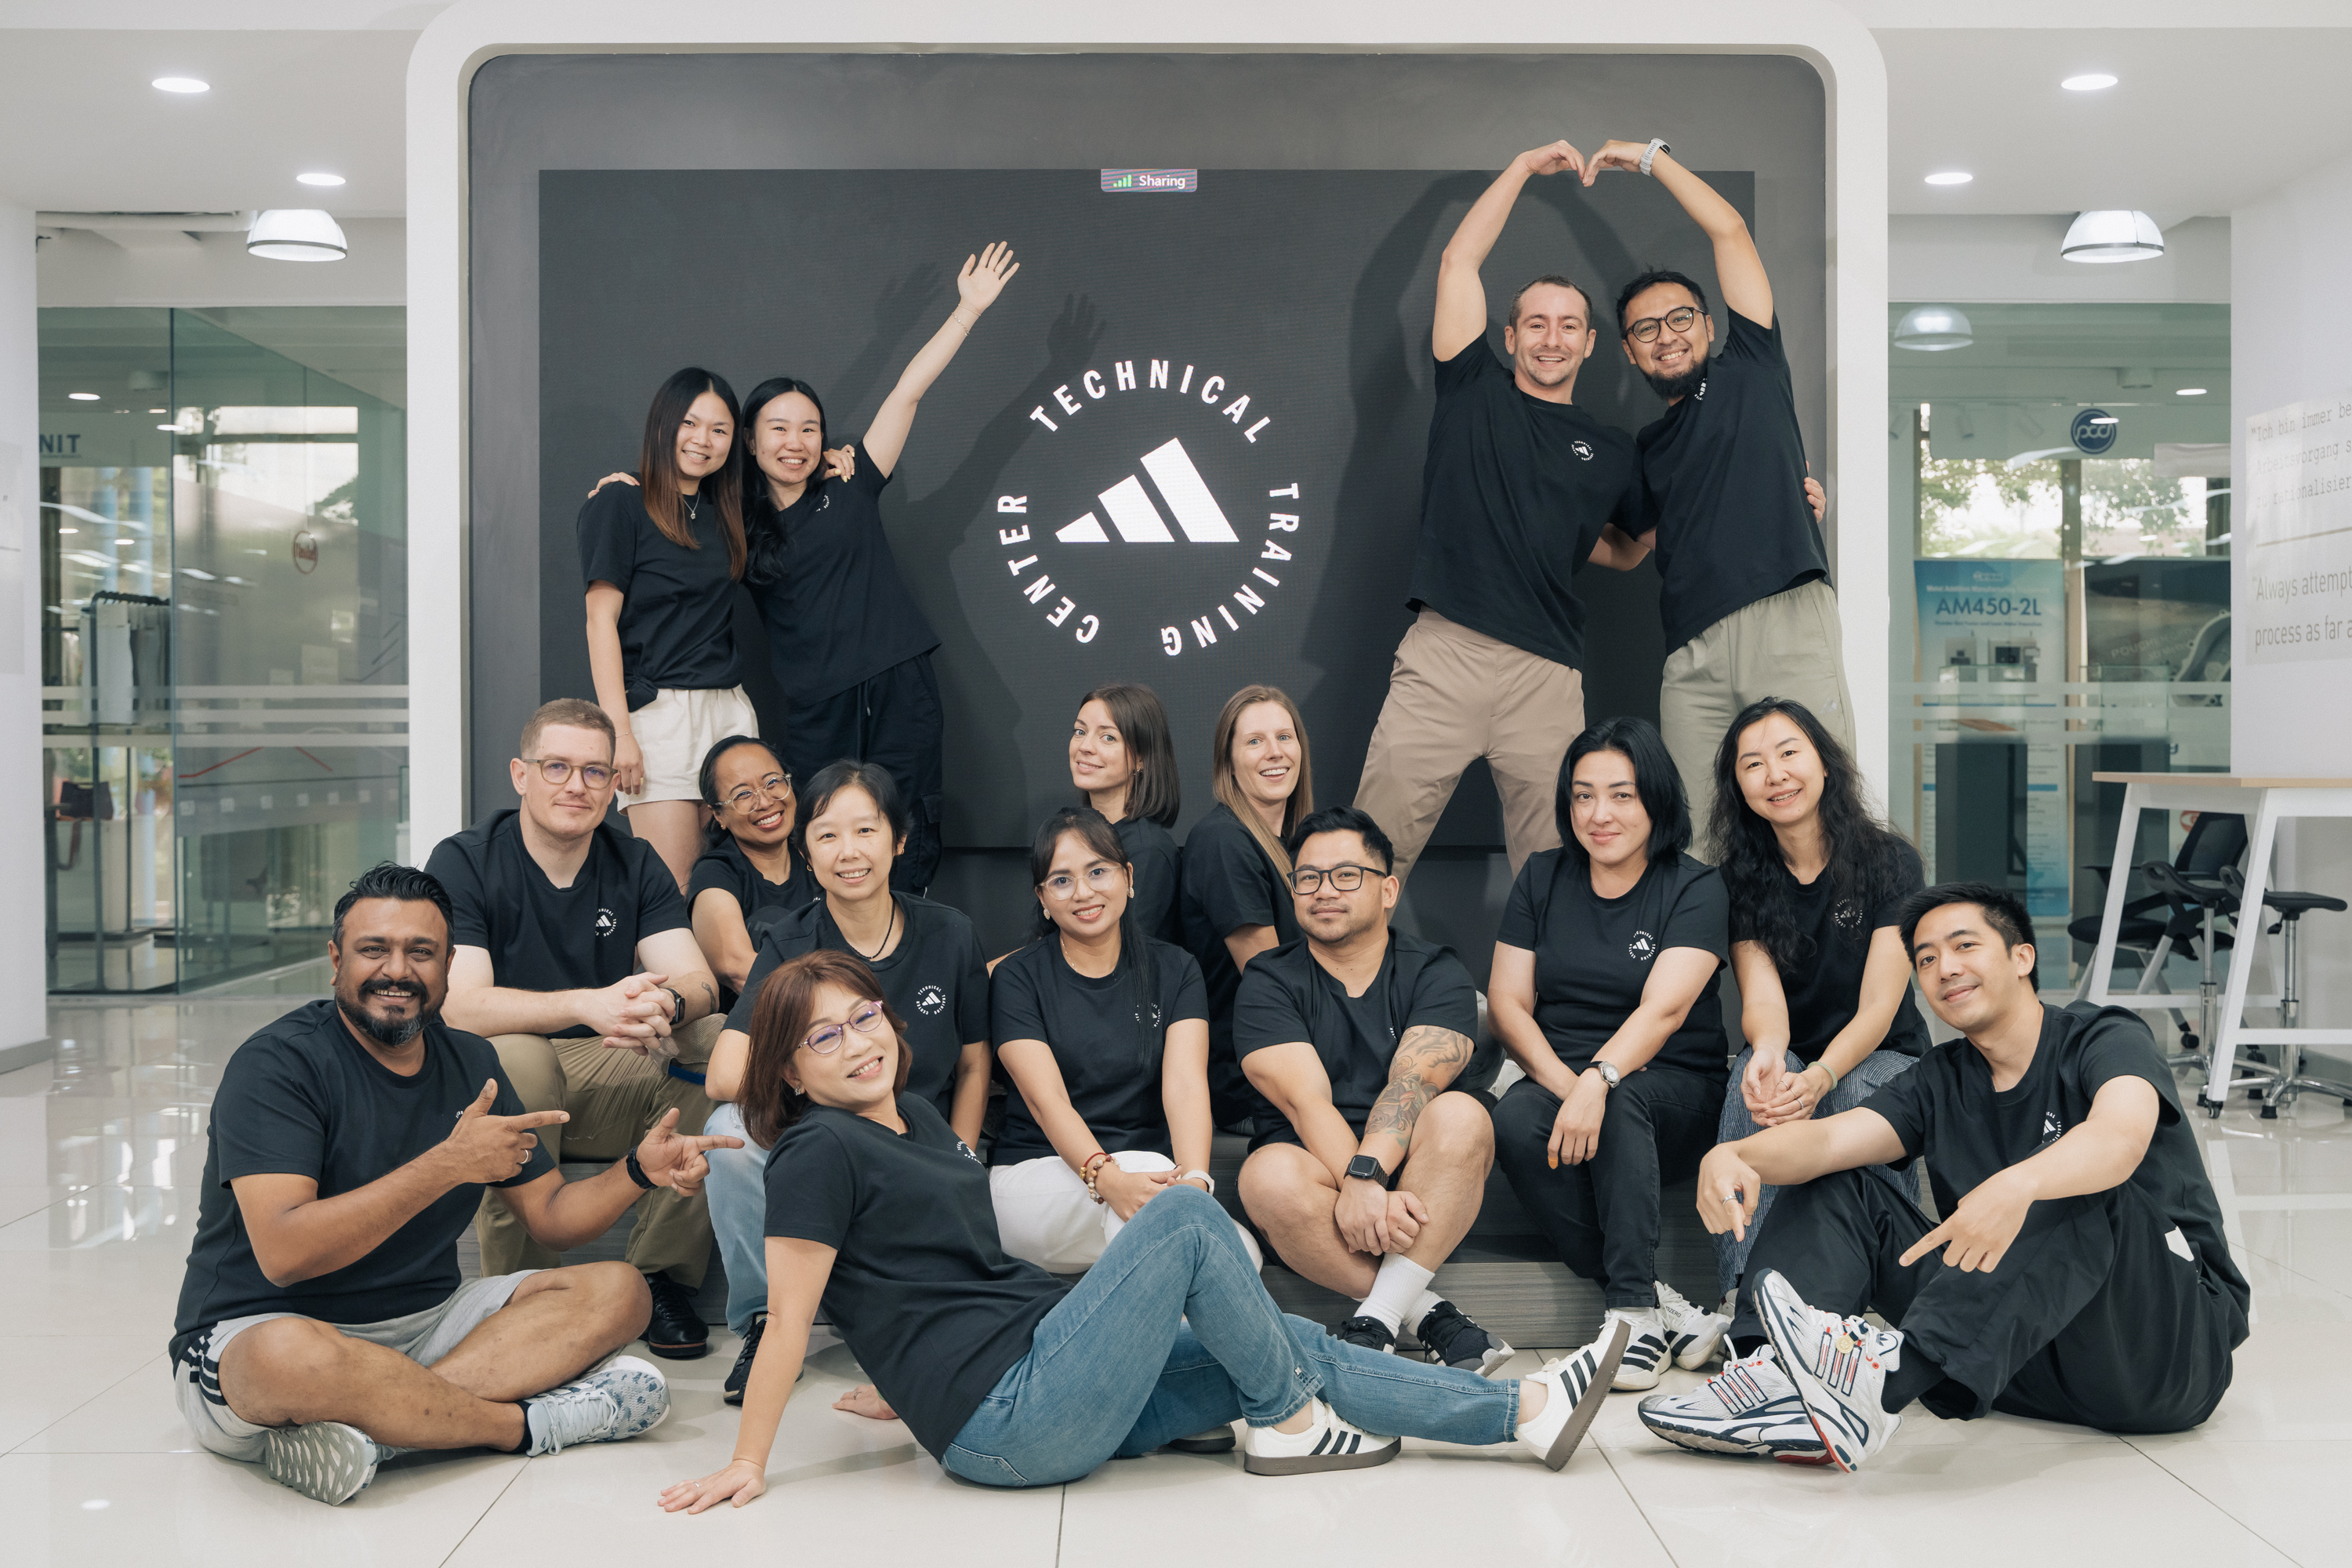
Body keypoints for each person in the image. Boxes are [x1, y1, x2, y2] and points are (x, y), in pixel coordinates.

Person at [656, 949, 1635, 1512]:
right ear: (786, 1070)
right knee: (1178, 1210)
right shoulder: (816, 1149)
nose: (860, 1040)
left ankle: (1524, 1415)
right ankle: (1290, 1427)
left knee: (1282, 1340)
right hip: (1008, 1421)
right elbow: (789, 1319)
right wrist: (749, 1461)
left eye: (864, 1015)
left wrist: (908, 1376)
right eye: (823, 1036)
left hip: (1034, 1370)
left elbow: (934, 1274)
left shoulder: (908, 1114)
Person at [170, 863, 741, 1505]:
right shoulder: (278, 1065)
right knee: (289, 1357)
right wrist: (446, 1164)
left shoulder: (472, 1059)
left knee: (621, 1290)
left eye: (422, 953)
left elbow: (552, 1217)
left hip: (427, 1322)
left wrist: (638, 1171)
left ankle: (385, 1428)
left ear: (446, 968)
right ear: (335, 960)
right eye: (373, 950)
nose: (398, 970)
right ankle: (518, 1426)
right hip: (273, 1324)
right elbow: (286, 1255)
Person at [1641, 883, 2249, 1472]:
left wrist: (2018, 1184)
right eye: (1926, 959)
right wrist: (1737, 1155)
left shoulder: (2103, 1037)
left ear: (2021, 958)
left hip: (2163, 1352)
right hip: (2016, 1358)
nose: (1944, 969)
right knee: (1840, 1181)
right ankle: (1772, 1381)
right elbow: (1828, 1140)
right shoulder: (1943, 1076)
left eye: (1964, 947)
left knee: (2073, 1180)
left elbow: (2118, 1141)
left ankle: (1880, 1388)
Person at [1352, 141, 1824, 890]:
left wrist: (1782, 493)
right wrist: (1516, 171)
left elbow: (1632, 547)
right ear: (1508, 339)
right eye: (1534, 324)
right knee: (1367, 856)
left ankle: (1543, 1011)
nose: (1551, 337)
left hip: (1547, 674)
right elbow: (1458, 265)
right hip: (1446, 654)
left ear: (1594, 344)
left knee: (1557, 877)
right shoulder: (1471, 386)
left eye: (1569, 324)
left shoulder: (1614, 451)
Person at [590, 244, 1019, 893]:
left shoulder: (852, 483)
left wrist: (966, 311)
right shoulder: (732, 519)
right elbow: (669, 497)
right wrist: (631, 480)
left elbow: (907, 393)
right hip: (817, 706)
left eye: (811, 429)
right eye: (778, 430)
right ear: (751, 442)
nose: (796, 443)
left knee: (905, 831)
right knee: (818, 842)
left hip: (899, 683)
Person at [426, 698, 727, 1362]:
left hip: (609, 1065)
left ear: (614, 784)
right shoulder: (466, 860)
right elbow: (460, 1007)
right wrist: (586, 1004)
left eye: (596, 772)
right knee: (518, 1057)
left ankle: (659, 1277)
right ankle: (520, 1289)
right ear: (520, 774)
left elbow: (700, 983)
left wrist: (667, 1009)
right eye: (557, 766)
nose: (576, 786)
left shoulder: (635, 861)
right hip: (499, 1082)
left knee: (717, 1044)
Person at [1581, 136, 1854, 840]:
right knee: (1698, 837)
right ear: (1628, 350)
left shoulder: (1751, 369)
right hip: (1690, 654)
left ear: (1708, 325)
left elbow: (1728, 229)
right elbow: (1628, 551)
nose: (1666, 336)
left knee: (1820, 818)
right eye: (1646, 328)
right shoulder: (1647, 448)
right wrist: (1534, 536)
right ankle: (1717, 957)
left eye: (1680, 319)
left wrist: (1649, 158)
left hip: (1783, 618)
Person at [698, 760, 991, 1403]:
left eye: (866, 830)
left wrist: (963, 1151)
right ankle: (767, 1322)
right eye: (828, 835)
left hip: (917, 1137)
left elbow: (973, 1060)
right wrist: (823, 1086)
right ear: (806, 850)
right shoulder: (789, 940)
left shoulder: (949, 932)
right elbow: (725, 1073)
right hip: (823, 1132)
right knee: (726, 1133)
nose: (849, 852)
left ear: (900, 840)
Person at [1488, 717, 1733, 1392]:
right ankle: (1659, 1306)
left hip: (1674, 1090)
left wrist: (1598, 1081)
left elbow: (1666, 1009)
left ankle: (1628, 1315)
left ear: (1656, 799)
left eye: (1622, 795)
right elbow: (1509, 1002)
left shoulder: (1695, 886)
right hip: (1565, 1078)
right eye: (1583, 795)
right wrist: (1573, 1086)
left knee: (1624, 1097)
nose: (1600, 814)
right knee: (1511, 1119)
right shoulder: (1543, 876)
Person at [1234, 807, 1512, 1374]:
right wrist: (1359, 1183)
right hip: (1314, 1173)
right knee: (1264, 1177)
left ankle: (1377, 1318)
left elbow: (1412, 1083)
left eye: (1345, 875)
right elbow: (1305, 1102)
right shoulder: (1268, 979)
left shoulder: (1437, 970)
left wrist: (1370, 1176)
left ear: (1387, 889)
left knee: (1461, 1115)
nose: (1323, 890)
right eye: (1307, 877)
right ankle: (1426, 1315)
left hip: (1419, 1178)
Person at [1707, 697, 1931, 1311]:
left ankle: (1865, 1296)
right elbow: (1761, 996)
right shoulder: (1740, 879)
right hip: (1798, 1048)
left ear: (1824, 764)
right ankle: (1742, 1300)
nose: (1775, 774)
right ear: (1739, 787)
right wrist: (1774, 1056)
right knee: (1758, 1085)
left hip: (1886, 1052)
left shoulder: (1888, 862)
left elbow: (1880, 1006)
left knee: (1855, 1093)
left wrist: (1824, 1075)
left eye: (1788, 753)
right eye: (1753, 764)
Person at [990, 806, 1260, 1277]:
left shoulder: (1175, 969)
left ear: (1128, 877)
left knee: (1241, 1255)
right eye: (1061, 880)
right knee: (1180, 1236)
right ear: (1043, 897)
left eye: (1098, 871)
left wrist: (1196, 1179)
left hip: (1151, 1183)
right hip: (1037, 1179)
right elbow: (1045, 1099)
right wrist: (1108, 1177)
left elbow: (1186, 1085)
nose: (1084, 892)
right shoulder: (1017, 977)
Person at [578, 366, 756, 894]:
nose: (703, 440)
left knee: (729, 887)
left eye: (719, 430)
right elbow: (599, 622)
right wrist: (621, 733)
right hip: (659, 718)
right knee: (675, 891)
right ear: (663, 425)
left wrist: (835, 460)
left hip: (730, 712)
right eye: (690, 423)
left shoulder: (728, 511)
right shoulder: (619, 503)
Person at [1181, 684, 1312, 1130]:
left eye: (1284, 737)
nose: (1274, 753)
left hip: (1300, 1053)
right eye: (1254, 741)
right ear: (1228, 762)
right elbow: (1272, 984)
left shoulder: (1301, 844)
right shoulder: (1224, 842)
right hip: (1252, 1080)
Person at [688, 735, 815, 1007]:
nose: (766, 801)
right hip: (759, 1028)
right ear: (718, 815)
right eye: (743, 794)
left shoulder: (817, 855)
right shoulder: (714, 874)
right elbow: (737, 968)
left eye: (773, 782)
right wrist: (831, 1001)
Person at [1068, 682, 1185, 945]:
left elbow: (1111, 952)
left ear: (1141, 758)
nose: (1085, 746)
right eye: (1079, 731)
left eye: (1108, 737)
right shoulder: (1072, 839)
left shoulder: (1148, 850)